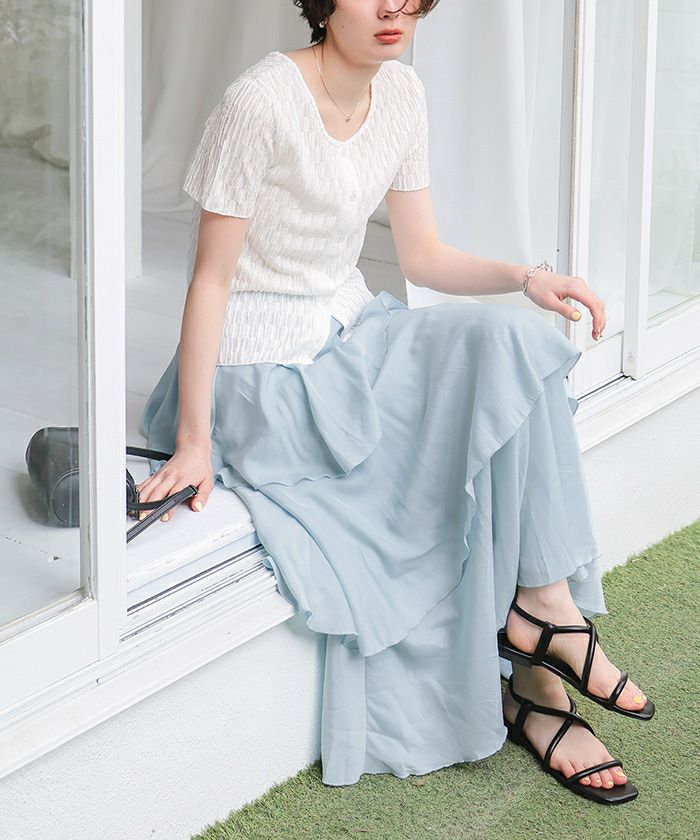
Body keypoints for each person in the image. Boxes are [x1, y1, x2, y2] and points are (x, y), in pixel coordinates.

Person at [137, 1, 654, 802]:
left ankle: (545, 606)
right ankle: (538, 683)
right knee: (437, 464)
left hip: (351, 332)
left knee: (511, 347)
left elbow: (422, 255)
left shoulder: (403, 93)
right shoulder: (258, 101)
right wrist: (195, 440)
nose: (392, 9)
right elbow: (210, 280)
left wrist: (526, 278)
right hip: (262, 374)